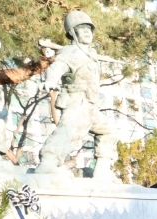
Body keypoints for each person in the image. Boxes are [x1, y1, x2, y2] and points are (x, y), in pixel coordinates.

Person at [36, 10, 117, 181]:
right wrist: (50, 81)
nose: (87, 32)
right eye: (82, 28)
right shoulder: (70, 51)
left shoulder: (90, 54)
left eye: (89, 29)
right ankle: (48, 162)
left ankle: (102, 170)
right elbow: (57, 66)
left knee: (108, 130)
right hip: (77, 101)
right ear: (73, 32)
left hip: (90, 104)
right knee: (69, 131)